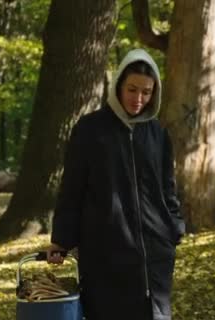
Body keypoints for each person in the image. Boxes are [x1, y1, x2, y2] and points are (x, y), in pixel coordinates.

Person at [47, 48, 185, 320]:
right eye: (132, 90)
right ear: (118, 85)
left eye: (146, 92)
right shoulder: (90, 130)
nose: (139, 99)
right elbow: (72, 188)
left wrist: (174, 227)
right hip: (105, 255)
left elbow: (168, 187)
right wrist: (61, 239)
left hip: (155, 257)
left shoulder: (157, 133)